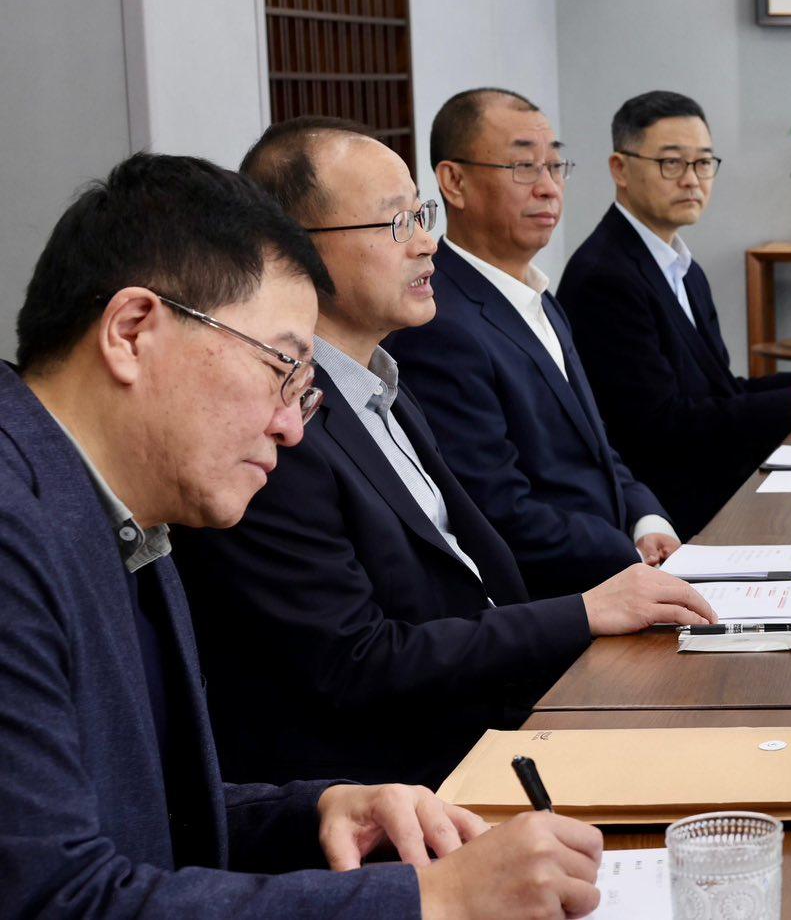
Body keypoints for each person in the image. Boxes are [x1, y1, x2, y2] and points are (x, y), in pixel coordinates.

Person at [0, 153, 605, 918]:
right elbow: (57, 900)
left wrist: (318, 810)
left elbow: (143, 814)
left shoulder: (117, 509)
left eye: (304, 388)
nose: (290, 426)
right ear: (131, 331)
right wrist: (429, 900)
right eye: (281, 365)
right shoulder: (15, 529)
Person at [174, 119, 718, 789]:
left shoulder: (384, 383)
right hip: (408, 782)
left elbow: (477, 581)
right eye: (397, 224)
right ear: (293, 251)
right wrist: (582, 613)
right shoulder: (283, 427)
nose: (429, 243)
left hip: (506, 717)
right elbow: (356, 662)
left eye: (421, 215)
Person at [385, 88, 681, 599]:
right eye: (524, 166)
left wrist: (646, 519)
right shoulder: (439, 324)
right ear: (454, 182)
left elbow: (596, 448)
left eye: (556, 166)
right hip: (558, 605)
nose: (548, 188)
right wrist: (626, 556)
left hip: (619, 570)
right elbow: (496, 511)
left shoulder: (537, 293)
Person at [560, 92, 791, 537]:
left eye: (704, 163)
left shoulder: (681, 266)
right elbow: (657, 430)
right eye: (671, 163)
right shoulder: (605, 276)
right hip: (673, 517)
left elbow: (719, 391)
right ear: (620, 168)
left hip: (718, 488)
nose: (692, 180)